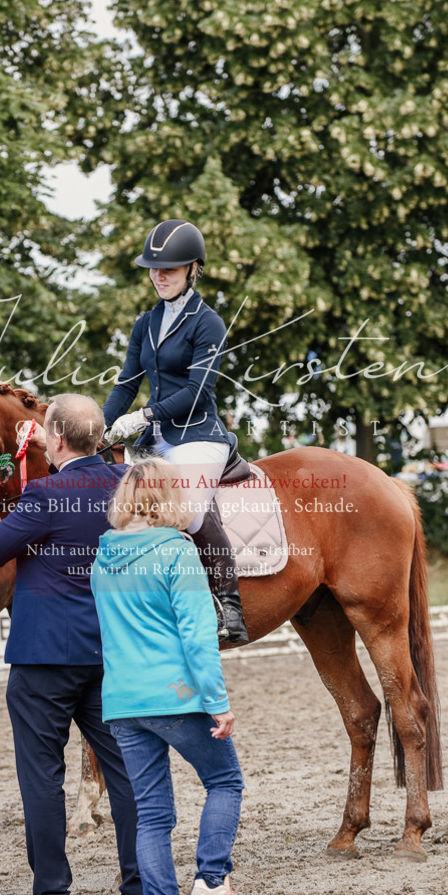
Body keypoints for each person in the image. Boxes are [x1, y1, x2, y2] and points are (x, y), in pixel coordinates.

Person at [0, 393, 146, 895]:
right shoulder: (127, 490)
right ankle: (140, 888)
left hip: (44, 656)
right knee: (126, 772)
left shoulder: (45, 493)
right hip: (111, 651)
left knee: (42, 778)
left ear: (59, 440)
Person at [91, 457, 259, 895]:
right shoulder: (177, 551)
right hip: (177, 696)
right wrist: (217, 702)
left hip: (122, 701)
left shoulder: (103, 556)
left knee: (152, 815)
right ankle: (211, 883)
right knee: (225, 782)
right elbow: (198, 636)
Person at [102, 219, 249, 645]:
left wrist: (145, 417)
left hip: (198, 436)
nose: (159, 275)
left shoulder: (209, 323)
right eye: (153, 268)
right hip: (154, 439)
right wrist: (100, 427)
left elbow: (198, 389)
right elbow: (127, 383)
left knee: (189, 511)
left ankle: (229, 605)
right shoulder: (145, 323)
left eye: (169, 268)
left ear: (193, 269)